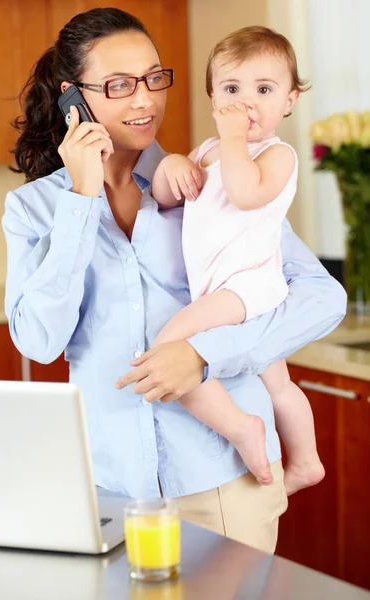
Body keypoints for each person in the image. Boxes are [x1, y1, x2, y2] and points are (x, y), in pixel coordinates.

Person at [2, 7, 346, 553]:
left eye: (153, 78)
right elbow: (40, 343)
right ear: (74, 97)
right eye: (118, 85)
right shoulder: (34, 210)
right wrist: (81, 201)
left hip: (225, 478)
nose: (145, 100)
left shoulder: (208, 181)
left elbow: (323, 296)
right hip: (110, 487)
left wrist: (208, 356)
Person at [148, 26, 325, 495]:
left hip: (248, 286)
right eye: (231, 90)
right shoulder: (207, 151)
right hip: (220, 288)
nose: (246, 104)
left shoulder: (278, 155)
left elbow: (245, 193)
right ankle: (306, 461)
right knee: (279, 384)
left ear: (289, 100)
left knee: (170, 349)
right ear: (212, 98)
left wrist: (230, 139)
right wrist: (171, 168)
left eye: (263, 90)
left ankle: (242, 429)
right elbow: (167, 200)